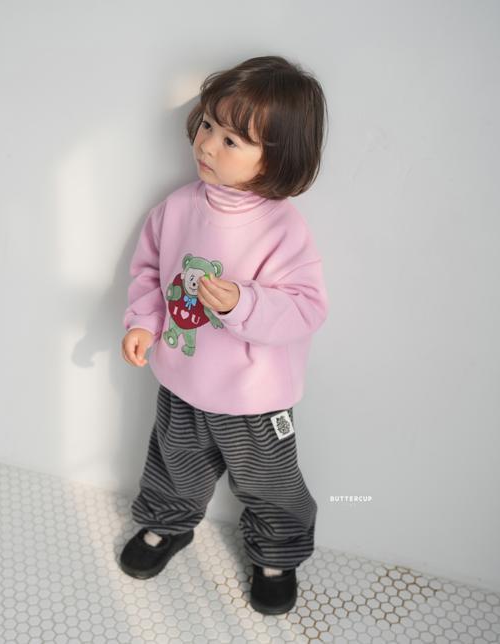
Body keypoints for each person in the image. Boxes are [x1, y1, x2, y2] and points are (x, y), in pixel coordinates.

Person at [119, 55, 329, 615]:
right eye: (208, 125)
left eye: (232, 140)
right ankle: (167, 524)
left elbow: (307, 307)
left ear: (277, 157)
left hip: (253, 399)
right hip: (182, 380)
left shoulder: (281, 228)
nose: (208, 145)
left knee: (270, 484)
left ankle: (276, 555)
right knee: (173, 463)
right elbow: (149, 272)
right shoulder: (177, 208)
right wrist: (144, 322)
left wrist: (243, 302)